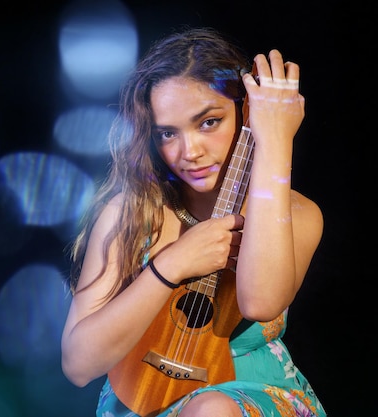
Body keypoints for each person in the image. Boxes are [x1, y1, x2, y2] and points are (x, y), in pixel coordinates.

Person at [61, 26, 326, 417]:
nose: (190, 152)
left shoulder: (298, 213)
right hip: (142, 396)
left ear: (247, 112)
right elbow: (79, 365)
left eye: (208, 122)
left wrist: (274, 140)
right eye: (167, 133)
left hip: (252, 395)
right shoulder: (131, 213)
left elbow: (261, 301)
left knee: (212, 410)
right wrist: (172, 263)